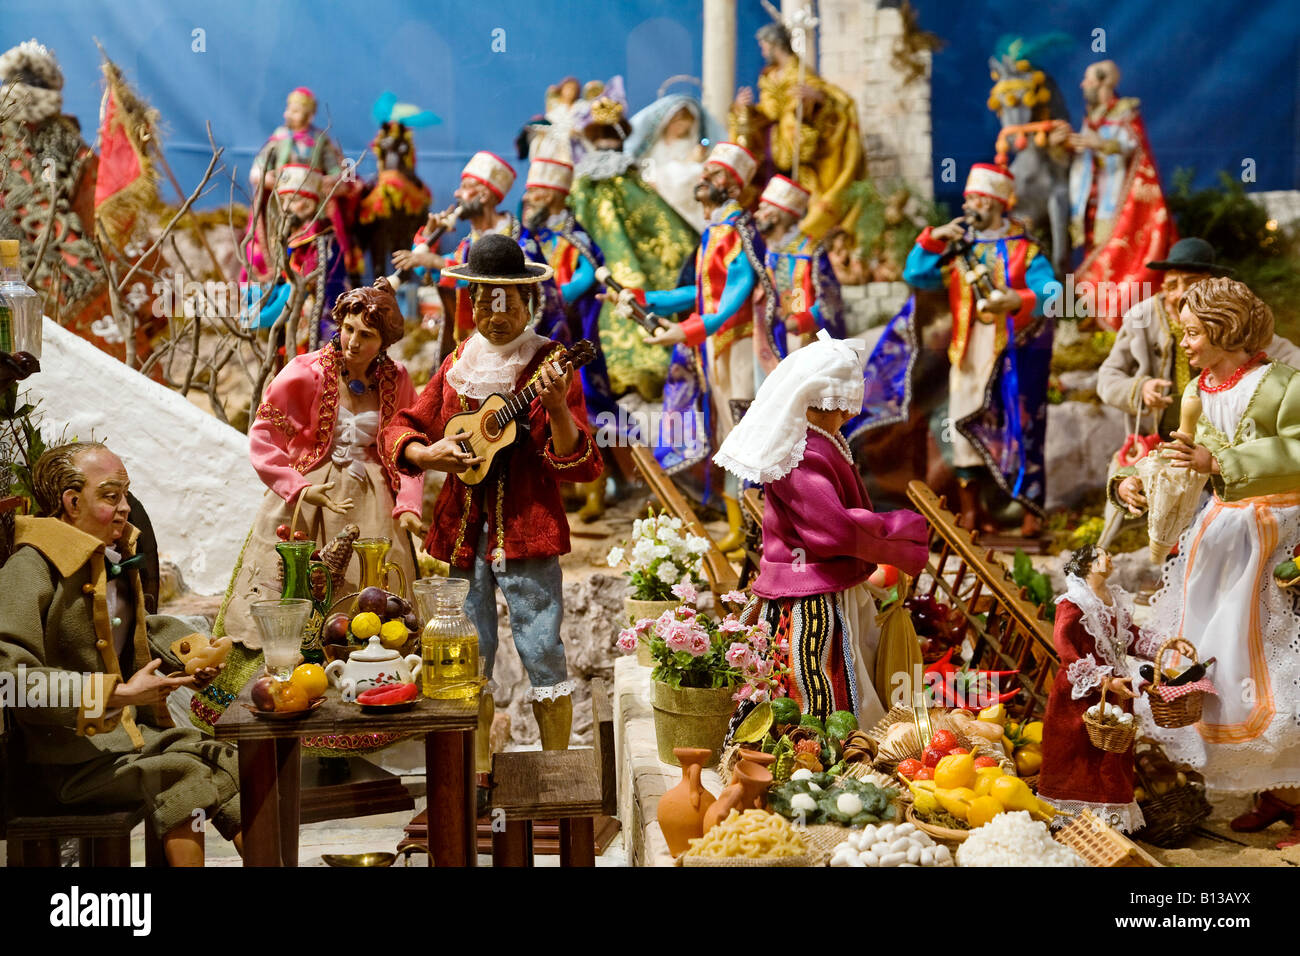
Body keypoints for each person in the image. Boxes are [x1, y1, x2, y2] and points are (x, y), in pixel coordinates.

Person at [381, 234, 603, 774]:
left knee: (541, 646)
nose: (494, 313)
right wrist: (428, 453)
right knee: (465, 650)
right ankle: (473, 776)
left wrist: (556, 412)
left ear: (529, 303)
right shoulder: (460, 362)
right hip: (461, 530)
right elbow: (402, 425)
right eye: (483, 299)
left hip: (526, 528)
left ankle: (556, 774)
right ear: (471, 301)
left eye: (506, 300)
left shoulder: (549, 363)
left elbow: (582, 462)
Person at [1113, 277, 1300, 848]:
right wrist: (1136, 483)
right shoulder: (1197, 388)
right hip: (1218, 538)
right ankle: (1270, 788)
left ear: (1224, 330)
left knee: (1268, 655)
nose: (1186, 343)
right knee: (1216, 652)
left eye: (1193, 332)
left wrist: (1220, 460)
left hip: (1272, 535)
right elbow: (1180, 453)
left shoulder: (1282, 384)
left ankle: (1294, 785)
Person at [0, 442, 241, 866]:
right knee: (183, 774)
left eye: (125, 494)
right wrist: (120, 694)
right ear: (72, 502)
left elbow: (132, 629)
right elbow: (13, 682)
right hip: (62, 762)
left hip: (123, 741)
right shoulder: (30, 568)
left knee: (228, 762)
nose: (126, 507)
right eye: (111, 496)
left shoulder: (111, 557)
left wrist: (189, 650)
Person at [199, 279, 423, 732]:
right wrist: (296, 486)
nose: (354, 341)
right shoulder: (306, 370)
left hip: (374, 504)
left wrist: (409, 506)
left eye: (367, 335)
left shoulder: (396, 380)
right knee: (295, 594)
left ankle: (365, 702)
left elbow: (410, 444)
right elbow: (264, 435)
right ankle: (282, 698)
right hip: (307, 502)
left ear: (384, 342)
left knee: (367, 601)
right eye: (349, 329)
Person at [714, 331, 929, 725]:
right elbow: (832, 530)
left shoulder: (812, 442)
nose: (847, 416)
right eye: (839, 406)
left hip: (822, 580)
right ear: (812, 402)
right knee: (812, 673)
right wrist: (898, 533)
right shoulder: (800, 453)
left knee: (839, 668)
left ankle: (831, 739)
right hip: (810, 588)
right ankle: (818, 744)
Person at [1095, 238, 1300, 546]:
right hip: (1158, 439)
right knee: (1140, 499)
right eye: (1171, 284)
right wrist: (1140, 388)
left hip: (1224, 453)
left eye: (1190, 284)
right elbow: (1108, 378)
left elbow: (1285, 358)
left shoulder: (1235, 324)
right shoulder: (1142, 318)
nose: (1178, 293)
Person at [635, 142, 781, 553]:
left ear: (730, 186)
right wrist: (647, 297)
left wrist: (685, 332)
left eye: (713, 177)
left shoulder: (740, 233)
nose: (703, 181)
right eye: (705, 174)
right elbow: (697, 294)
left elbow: (732, 301)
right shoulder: (713, 232)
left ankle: (760, 530)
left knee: (746, 434)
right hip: (714, 348)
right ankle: (738, 526)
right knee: (726, 436)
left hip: (740, 349)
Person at [903, 162, 1057, 536]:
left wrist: (1017, 299)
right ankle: (972, 511)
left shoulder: (1025, 249)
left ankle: (1028, 510)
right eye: (968, 197)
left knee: (1019, 426)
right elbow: (916, 274)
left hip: (1013, 351)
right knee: (962, 423)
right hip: (968, 349)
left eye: (979, 199)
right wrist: (933, 239)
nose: (970, 204)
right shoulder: (960, 246)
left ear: (998, 203)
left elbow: (1054, 294)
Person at [568, 81, 699, 400]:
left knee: (622, 298)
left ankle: (632, 371)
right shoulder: (612, 178)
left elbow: (651, 216)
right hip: (601, 256)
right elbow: (653, 217)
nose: (608, 145)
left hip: (607, 257)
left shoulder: (598, 179)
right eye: (603, 138)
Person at [521, 155, 620, 521]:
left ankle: (593, 488)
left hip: (573, 335)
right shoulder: (529, 238)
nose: (528, 201)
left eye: (535, 195)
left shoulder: (574, 236)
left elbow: (587, 274)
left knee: (586, 409)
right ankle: (561, 486)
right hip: (538, 333)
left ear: (553, 197)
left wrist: (554, 295)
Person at [1037, 545, 1158, 832]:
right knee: (1075, 753)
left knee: (1112, 757)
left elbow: (1130, 637)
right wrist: (1103, 680)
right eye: (1103, 554)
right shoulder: (1073, 601)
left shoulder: (1114, 598)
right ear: (1089, 565)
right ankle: (1071, 819)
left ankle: (1110, 823)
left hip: (1116, 692)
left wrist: (1163, 647)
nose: (1110, 558)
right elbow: (1065, 649)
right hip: (1080, 692)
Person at [392, 150, 567, 347]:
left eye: (465, 187)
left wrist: (437, 262)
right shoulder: (468, 244)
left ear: (483, 195)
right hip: (476, 344)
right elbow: (430, 272)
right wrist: (426, 239)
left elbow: (514, 288)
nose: (457, 193)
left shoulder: (521, 242)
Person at [1050, 60, 1176, 328]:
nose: (1083, 85)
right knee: (1092, 254)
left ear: (1104, 82)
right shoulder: (1090, 117)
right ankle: (1093, 317)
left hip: (1114, 203)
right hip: (1088, 204)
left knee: (1113, 258)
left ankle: (1116, 317)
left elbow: (1135, 148)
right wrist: (1065, 143)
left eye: (1088, 80)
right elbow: (1083, 158)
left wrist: (1104, 144)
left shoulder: (1125, 113)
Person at [730, 21, 865, 240]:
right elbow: (767, 111)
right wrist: (742, 109)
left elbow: (828, 101)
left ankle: (803, 231)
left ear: (775, 44)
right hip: (770, 145)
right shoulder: (768, 76)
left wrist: (816, 99)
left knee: (799, 190)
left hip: (795, 147)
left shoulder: (799, 71)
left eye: (764, 45)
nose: (763, 50)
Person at [248, 87, 360, 282]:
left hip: (313, 208)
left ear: (309, 116)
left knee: (320, 246)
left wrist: (330, 180)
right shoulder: (279, 138)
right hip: (282, 206)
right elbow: (258, 169)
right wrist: (266, 177)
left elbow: (336, 171)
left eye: (295, 110)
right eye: (289, 109)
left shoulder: (319, 140)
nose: (288, 114)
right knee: (274, 244)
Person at [755, 174, 846, 348]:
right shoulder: (765, 251)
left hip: (809, 340)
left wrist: (801, 321)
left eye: (763, 209)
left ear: (775, 217)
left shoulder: (811, 251)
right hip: (772, 336)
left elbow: (830, 299)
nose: (756, 215)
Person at [626, 92, 723, 233]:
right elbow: (646, 165)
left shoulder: (690, 145)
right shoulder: (655, 144)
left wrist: (689, 165)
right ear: (668, 122)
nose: (680, 129)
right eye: (677, 125)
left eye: (685, 126)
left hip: (680, 199)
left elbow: (693, 172)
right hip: (653, 193)